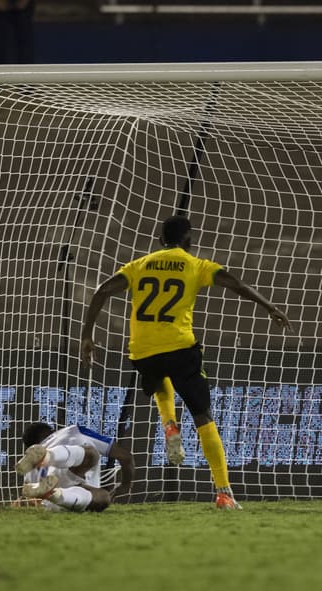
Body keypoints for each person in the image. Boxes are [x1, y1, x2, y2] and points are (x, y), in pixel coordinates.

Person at [80, 215, 290, 510]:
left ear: (159, 241)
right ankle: (223, 492)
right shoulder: (195, 265)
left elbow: (102, 290)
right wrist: (270, 308)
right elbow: (236, 284)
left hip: (143, 350)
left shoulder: (139, 265)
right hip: (180, 347)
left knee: (158, 381)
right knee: (203, 417)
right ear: (189, 241)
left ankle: (169, 425)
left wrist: (87, 336)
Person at [15, 422, 135, 512]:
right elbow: (126, 457)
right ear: (52, 431)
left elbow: (28, 497)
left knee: (104, 497)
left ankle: (53, 493)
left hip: (56, 504)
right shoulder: (73, 430)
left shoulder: (29, 470)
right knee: (92, 455)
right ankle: (48, 457)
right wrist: (125, 485)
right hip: (74, 495)